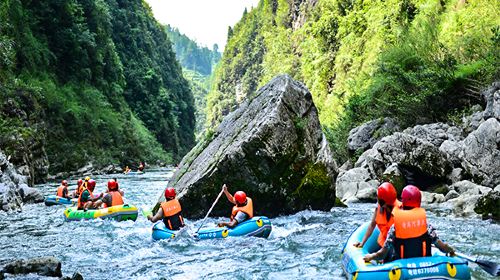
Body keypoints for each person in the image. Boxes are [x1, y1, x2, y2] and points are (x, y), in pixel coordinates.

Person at [363, 185, 455, 263]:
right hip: (426, 266)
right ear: (419, 202)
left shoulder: (394, 228)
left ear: (403, 202)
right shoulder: (427, 226)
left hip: (402, 269)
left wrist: (371, 256)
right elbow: (442, 247)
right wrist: (450, 250)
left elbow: (382, 254)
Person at [353, 182, 402, 253]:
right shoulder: (378, 208)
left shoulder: (400, 210)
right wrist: (362, 243)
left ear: (382, 201)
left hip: (396, 245)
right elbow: (372, 225)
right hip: (384, 244)